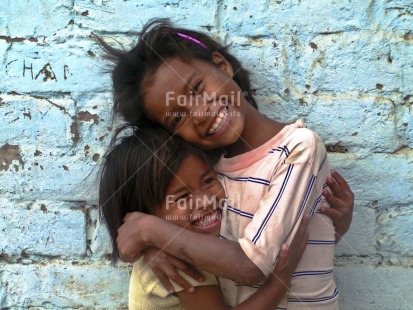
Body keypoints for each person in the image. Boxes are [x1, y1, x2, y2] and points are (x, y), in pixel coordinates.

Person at [99, 18, 354, 309]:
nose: (199, 113)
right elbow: (198, 239)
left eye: (196, 89)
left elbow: (251, 265)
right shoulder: (206, 174)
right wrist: (157, 248)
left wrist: (151, 232)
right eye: (177, 118)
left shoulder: (298, 149)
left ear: (222, 65)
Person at [99, 125, 310, 309]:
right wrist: (279, 281)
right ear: (147, 217)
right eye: (182, 197)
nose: (206, 201)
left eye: (208, 181)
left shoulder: (180, 246)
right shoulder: (176, 263)